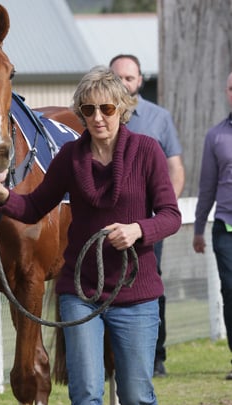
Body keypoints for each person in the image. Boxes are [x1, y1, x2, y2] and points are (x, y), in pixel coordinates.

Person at [0, 66, 181, 405]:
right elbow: (34, 206)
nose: (98, 117)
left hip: (136, 293)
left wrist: (139, 230)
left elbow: (170, 215)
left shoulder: (147, 152)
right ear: (81, 114)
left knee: (136, 393)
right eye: (88, 110)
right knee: (85, 391)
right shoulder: (71, 158)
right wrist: (0, 195)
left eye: (106, 108)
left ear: (121, 109)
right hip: (81, 292)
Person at [110, 54, 185, 377]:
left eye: (130, 77)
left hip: (145, 225)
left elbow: (175, 168)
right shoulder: (100, 117)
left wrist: (160, 213)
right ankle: (110, 359)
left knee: (151, 286)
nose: (125, 83)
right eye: (119, 78)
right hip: (108, 224)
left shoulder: (159, 118)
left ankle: (156, 356)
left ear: (140, 80)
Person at [193, 71, 232, 380]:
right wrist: (198, 228)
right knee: (230, 292)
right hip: (225, 228)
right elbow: (207, 186)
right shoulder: (216, 136)